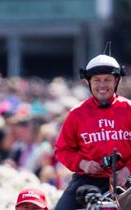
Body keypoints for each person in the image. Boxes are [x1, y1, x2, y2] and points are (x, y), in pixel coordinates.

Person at [54, 54, 131, 209]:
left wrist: (128, 168)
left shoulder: (129, 109)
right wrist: (82, 163)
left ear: (117, 81)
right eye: (97, 80)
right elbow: (62, 150)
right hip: (87, 182)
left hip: (127, 180)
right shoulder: (76, 114)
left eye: (107, 79)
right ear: (89, 82)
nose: (102, 85)